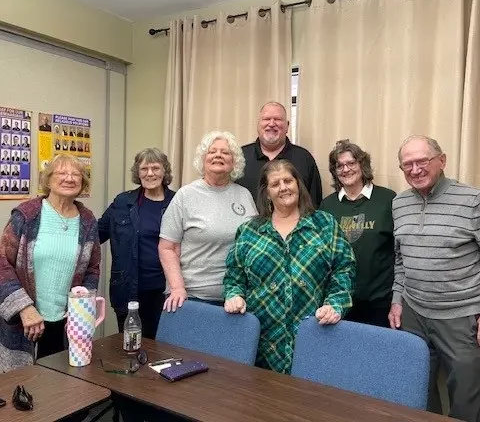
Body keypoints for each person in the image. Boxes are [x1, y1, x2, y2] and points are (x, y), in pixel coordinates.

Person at [224, 159, 355, 374]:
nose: (283, 187)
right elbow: (234, 275)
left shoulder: (325, 224)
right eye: (275, 184)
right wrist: (234, 295)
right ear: (267, 193)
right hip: (262, 344)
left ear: (298, 185)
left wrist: (335, 304)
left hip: (313, 335)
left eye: (288, 181)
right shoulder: (249, 230)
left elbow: (344, 270)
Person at [388, 135, 480, 422]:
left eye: (422, 161)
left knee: (466, 400)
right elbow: (400, 258)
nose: (415, 170)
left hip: (461, 317)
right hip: (413, 313)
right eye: (407, 165)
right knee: (416, 393)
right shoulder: (399, 203)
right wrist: (397, 300)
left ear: (442, 160)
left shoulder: (473, 200)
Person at [0, 154, 100, 372]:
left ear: (83, 182)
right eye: (62, 173)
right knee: (23, 383)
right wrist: (24, 308)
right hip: (25, 322)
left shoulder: (88, 221)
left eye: (76, 174)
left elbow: (92, 269)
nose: (69, 178)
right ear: (48, 179)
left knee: (63, 382)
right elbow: (3, 264)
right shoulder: (26, 215)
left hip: (67, 323)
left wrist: (81, 309)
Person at [159, 131, 257, 312]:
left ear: (234, 162)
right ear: (203, 159)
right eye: (212, 151)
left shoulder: (244, 195)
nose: (218, 155)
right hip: (193, 297)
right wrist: (177, 288)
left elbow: (254, 244)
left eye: (225, 152)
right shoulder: (186, 195)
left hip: (237, 298)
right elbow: (167, 247)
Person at [99, 148, 175, 339]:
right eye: (144, 169)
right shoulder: (123, 202)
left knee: (163, 346)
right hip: (128, 290)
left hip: (166, 291)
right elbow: (96, 234)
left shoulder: (177, 202)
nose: (150, 173)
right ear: (137, 172)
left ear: (164, 171)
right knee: (130, 344)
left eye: (155, 168)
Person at [320, 140, 395, 327]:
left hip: (380, 302)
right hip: (340, 301)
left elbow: (401, 250)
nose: (345, 169)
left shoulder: (388, 200)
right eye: (339, 166)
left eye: (351, 163)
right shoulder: (327, 205)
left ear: (362, 164)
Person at [237, 101, 322, 207]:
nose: (272, 124)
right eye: (266, 119)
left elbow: (314, 204)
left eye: (278, 119)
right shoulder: (239, 157)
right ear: (258, 124)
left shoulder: (304, 159)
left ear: (287, 126)